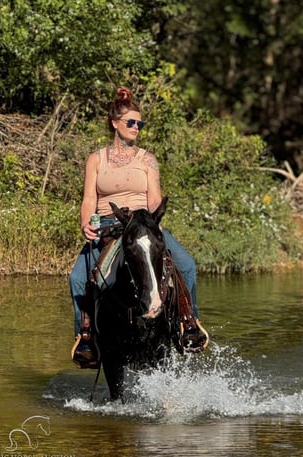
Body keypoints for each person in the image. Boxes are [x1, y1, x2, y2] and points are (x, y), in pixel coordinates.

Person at [69, 86, 208, 366]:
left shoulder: (147, 160)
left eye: (139, 123)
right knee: (77, 279)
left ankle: (187, 323)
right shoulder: (96, 159)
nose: (136, 127)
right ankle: (87, 338)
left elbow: (154, 197)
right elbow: (88, 199)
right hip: (108, 225)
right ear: (115, 124)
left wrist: (152, 221)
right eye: (131, 122)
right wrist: (86, 223)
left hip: (143, 224)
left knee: (188, 265)